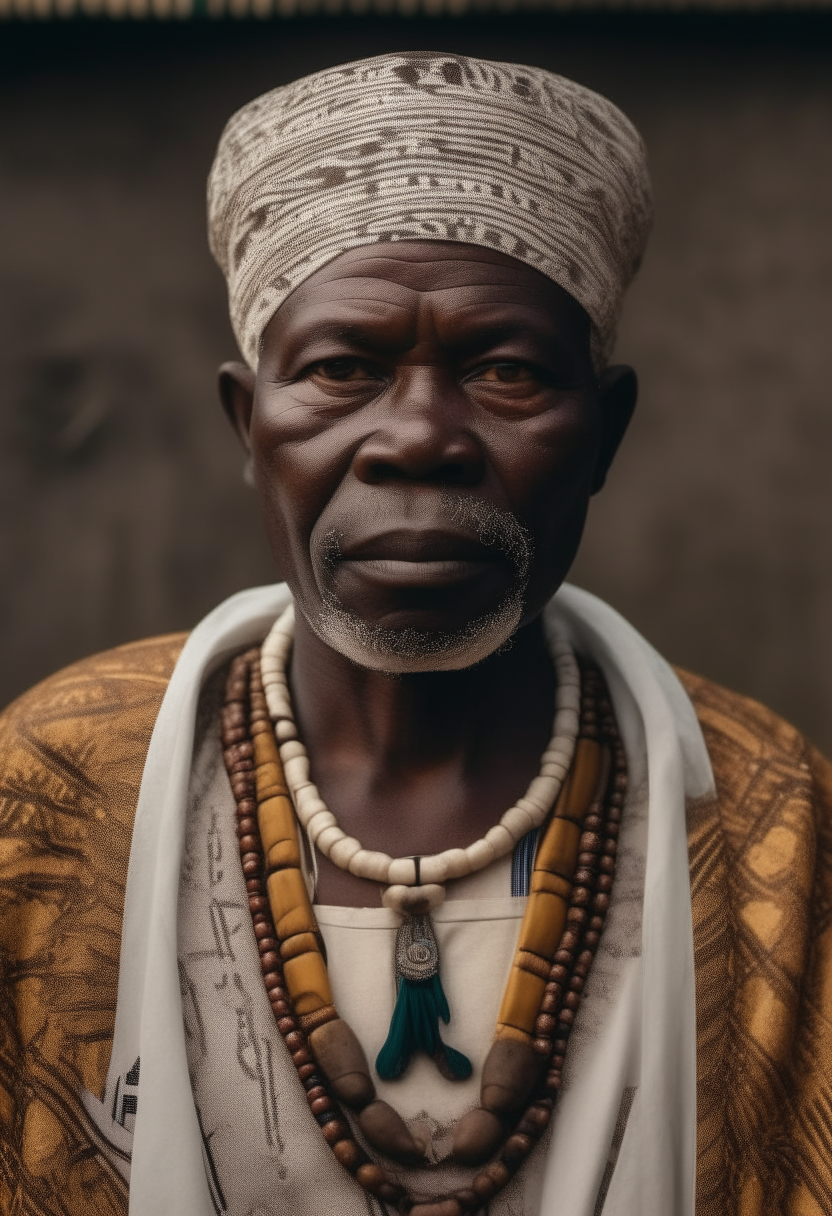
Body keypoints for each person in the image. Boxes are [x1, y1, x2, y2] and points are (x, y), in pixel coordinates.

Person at [0, 50, 830, 1216]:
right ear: (251, 424)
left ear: (605, 433)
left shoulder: (767, 821)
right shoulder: (48, 794)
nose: (421, 437)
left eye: (504, 371)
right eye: (343, 369)